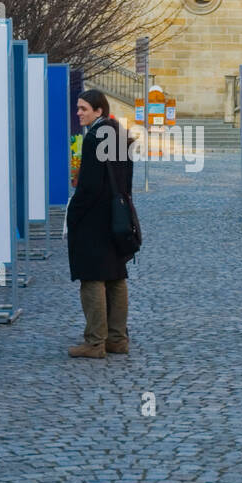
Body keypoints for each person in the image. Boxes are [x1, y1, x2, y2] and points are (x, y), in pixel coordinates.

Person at [67, 89, 134, 359]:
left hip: (94, 217)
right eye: (78, 108)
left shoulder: (95, 137)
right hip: (117, 214)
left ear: (98, 110)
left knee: (93, 276)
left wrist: (74, 213)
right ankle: (117, 339)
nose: (79, 113)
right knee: (116, 275)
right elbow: (125, 178)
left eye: (84, 109)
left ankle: (95, 342)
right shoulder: (119, 133)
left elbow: (90, 186)